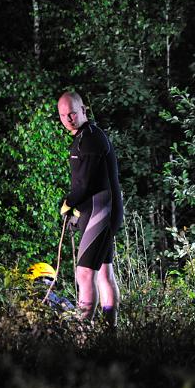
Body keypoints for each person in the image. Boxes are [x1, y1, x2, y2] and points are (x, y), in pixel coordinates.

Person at [57, 91, 123, 327]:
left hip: (102, 213)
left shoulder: (92, 138)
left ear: (84, 110)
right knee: (104, 272)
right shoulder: (84, 137)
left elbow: (84, 184)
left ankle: (83, 335)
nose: (68, 119)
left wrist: (66, 204)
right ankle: (109, 331)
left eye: (72, 113)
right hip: (98, 212)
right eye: (63, 115)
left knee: (84, 274)